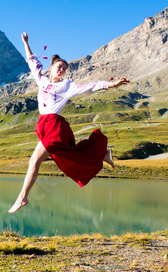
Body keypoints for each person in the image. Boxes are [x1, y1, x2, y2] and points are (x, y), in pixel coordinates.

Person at [8, 32, 130, 213]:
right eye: (59, 66)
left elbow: (91, 86)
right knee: (63, 156)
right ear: (51, 68)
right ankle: (102, 154)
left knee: (34, 161)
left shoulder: (67, 86)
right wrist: (25, 42)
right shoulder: (41, 80)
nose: (62, 70)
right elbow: (32, 61)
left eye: (65, 68)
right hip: (43, 124)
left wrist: (113, 85)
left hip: (54, 126)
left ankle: (23, 197)